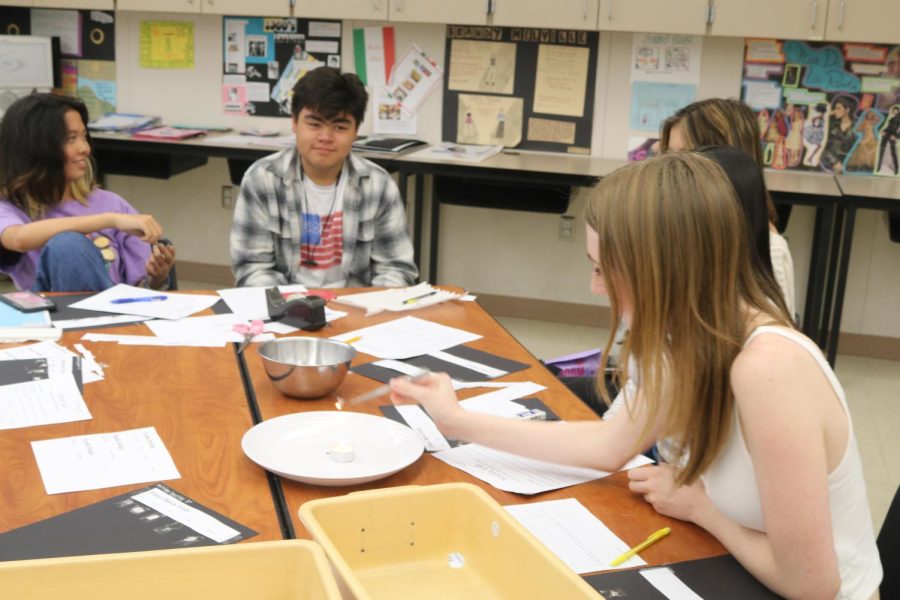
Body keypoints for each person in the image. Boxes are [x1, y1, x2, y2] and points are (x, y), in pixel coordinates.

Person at [392, 153, 883, 600]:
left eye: (605, 270)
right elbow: (609, 445)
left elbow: (813, 585)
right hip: (730, 568)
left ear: (664, 271)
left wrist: (703, 509)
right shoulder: (680, 337)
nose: (594, 286)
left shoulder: (769, 369)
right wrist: (456, 420)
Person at [230, 67, 418, 288]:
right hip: (285, 312)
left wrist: (364, 309)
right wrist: (293, 309)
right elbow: (252, 269)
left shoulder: (379, 185)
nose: (325, 137)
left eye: (339, 127)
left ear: (355, 131)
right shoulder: (262, 180)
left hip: (357, 311)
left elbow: (395, 269)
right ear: (294, 123)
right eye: (314, 124)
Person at [0, 94, 175, 292]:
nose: (85, 148)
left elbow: (140, 290)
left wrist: (157, 277)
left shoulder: (112, 203)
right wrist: (110, 220)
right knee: (67, 245)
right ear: (35, 148)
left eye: (84, 136)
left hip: (118, 313)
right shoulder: (8, 208)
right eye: (71, 139)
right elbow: (18, 239)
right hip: (51, 316)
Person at [660, 98, 795, 316]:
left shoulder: (768, 251)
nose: (671, 168)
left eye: (687, 155)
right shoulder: (674, 223)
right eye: (670, 155)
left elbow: (775, 337)